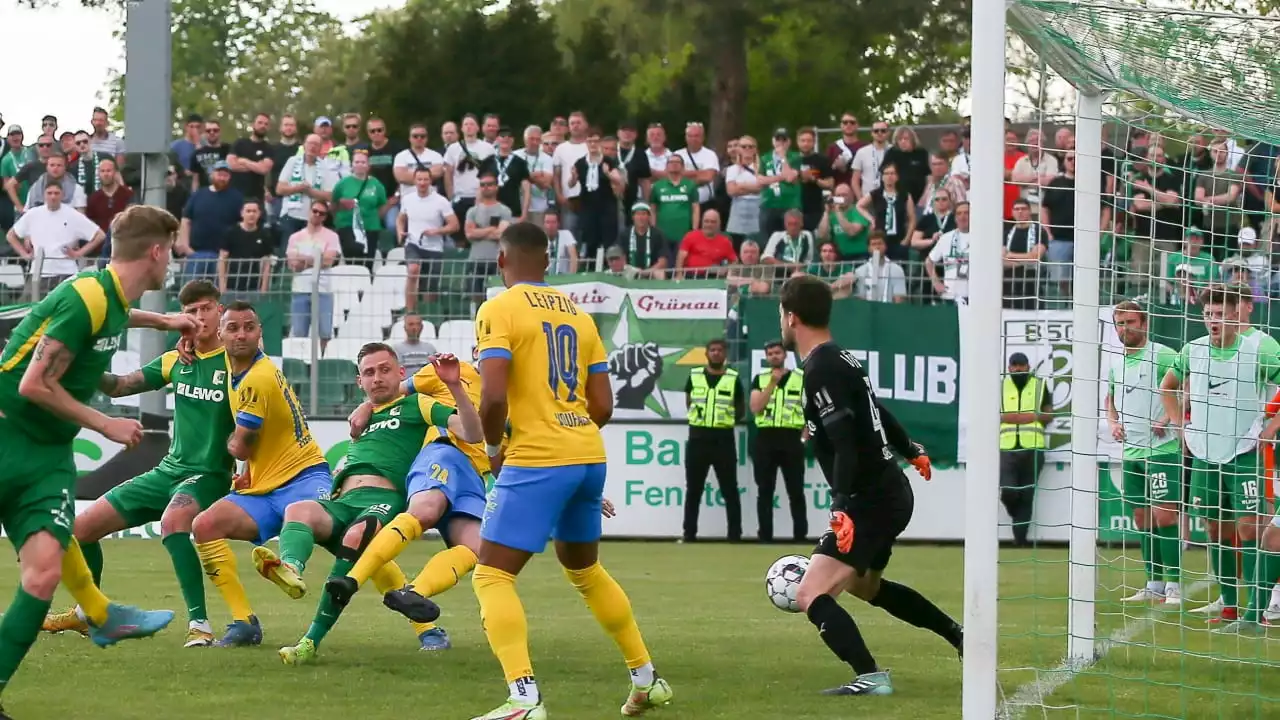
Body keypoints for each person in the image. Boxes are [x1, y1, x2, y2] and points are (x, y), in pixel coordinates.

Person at [467, 221, 672, 720]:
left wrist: (496, 445)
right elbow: (603, 403)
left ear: (502, 260)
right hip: (587, 454)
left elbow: (492, 394)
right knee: (584, 569)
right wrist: (570, 426)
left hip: (538, 457)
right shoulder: (580, 317)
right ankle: (647, 679)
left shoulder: (498, 307)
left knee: (491, 575)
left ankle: (523, 698)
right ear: (548, 261)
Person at [0, 205, 191, 716]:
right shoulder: (87, 297)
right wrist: (105, 423)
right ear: (155, 252)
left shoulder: (107, 300)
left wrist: (167, 320)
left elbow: (115, 321)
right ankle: (104, 614)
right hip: (7, 437)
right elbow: (33, 384)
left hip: (46, 457)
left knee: (40, 577)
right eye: (169, 252)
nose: (170, 262)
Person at [778, 274, 962, 696]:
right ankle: (958, 635)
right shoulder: (841, 358)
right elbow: (875, 408)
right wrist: (909, 447)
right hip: (887, 490)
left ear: (791, 318)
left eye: (781, 316)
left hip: (869, 500)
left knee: (810, 592)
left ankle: (871, 676)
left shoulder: (821, 367)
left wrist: (841, 507)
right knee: (865, 586)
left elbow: (844, 442)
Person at [253, 348, 483, 663]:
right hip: (344, 500)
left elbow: (471, 431)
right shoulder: (363, 417)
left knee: (356, 541)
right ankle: (291, 567)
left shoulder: (418, 404)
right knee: (299, 511)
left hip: (382, 500)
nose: (378, 378)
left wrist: (455, 388)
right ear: (359, 381)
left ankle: (309, 642)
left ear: (401, 374)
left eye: (385, 370)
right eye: (369, 373)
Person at [41, 281, 236, 647]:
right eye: (191, 311)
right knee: (81, 529)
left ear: (220, 311)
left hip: (209, 474)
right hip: (169, 471)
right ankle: (88, 612)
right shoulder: (176, 359)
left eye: (206, 308)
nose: (199, 317)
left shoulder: (236, 362)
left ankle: (201, 625)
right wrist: (83, 366)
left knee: (174, 521)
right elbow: (119, 386)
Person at [322, 349, 492, 652]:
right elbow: (389, 390)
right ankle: (352, 579)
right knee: (424, 511)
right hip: (442, 453)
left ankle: (414, 592)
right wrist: (365, 407)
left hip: (475, 475)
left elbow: (512, 452)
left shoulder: (520, 397)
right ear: (479, 350)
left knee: (477, 547)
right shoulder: (454, 372)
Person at [189, 301, 332, 647]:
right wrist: (188, 340)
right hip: (264, 488)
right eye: (233, 328)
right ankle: (244, 622)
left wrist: (233, 451)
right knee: (204, 526)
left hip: (304, 476)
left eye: (249, 327)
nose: (241, 334)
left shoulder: (258, 379)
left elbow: (241, 446)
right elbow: (201, 339)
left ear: (260, 333)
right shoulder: (233, 361)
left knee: (351, 542)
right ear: (221, 334)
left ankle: (423, 623)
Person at [1162, 285, 1280, 634]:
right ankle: (1229, 605)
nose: (1212, 320)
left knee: (1250, 527)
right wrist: (1179, 425)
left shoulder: (1259, 349)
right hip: (1204, 453)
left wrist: (1272, 427)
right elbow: (1168, 386)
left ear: (1236, 314)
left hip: (1244, 451)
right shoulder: (1192, 351)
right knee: (1215, 529)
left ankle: (1256, 611)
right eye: (1207, 314)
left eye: (1219, 314)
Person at [1106, 300, 1183, 605]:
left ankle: (1174, 584)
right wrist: (1113, 423)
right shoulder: (1117, 364)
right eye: (1120, 323)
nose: (1124, 328)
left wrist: (1167, 417)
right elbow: (1109, 399)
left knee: (1165, 516)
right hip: (1131, 454)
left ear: (1145, 324)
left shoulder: (1164, 355)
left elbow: (1186, 388)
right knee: (1142, 518)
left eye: (1130, 322)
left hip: (1162, 450)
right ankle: (1154, 583)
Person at [682, 338, 745, 542]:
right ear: (707, 353)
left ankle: (735, 535)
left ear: (725, 353)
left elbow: (740, 409)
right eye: (712, 350)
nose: (716, 353)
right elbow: (688, 402)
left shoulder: (734, 379)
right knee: (694, 489)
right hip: (698, 437)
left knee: (729, 489)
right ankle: (689, 534)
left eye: (720, 350)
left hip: (723, 439)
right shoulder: (694, 376)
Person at [749, 340, 807, 543]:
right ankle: (765, 535)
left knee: (796, 490)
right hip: (766, 437)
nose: (774, 356)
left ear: (785, 355)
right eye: (770, 353)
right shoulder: (760, 379)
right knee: (765, 490)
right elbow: (755, 407)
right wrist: (772, 383)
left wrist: (803, 437)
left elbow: (811, 411)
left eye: (777, 353)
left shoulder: (801, 378)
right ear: (766, 357)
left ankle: (800, 536)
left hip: (791, 438)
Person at [999, 352, 1052, 547]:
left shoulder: (1040, 385)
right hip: (1006, 447)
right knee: (1009, 492)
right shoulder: (1000, 386)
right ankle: (1018, 521)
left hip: (1034, 447)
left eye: (1021, 365)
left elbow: (1049, 414)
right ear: (1009, 367)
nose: (1018, 369)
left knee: (1027, 495)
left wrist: (1026, 417)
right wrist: (1025, 416)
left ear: (1028, 366)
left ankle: (1019, 540)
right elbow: (993, 414)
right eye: (1014, 365)